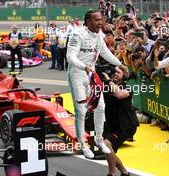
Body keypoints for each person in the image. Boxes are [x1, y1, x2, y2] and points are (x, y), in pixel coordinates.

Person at [67, 10, 126, 159]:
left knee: (100, 107)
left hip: (91, 74)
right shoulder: (77, 34)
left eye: (101, 20)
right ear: (87, 21)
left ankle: (99, 139)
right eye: (96, 20)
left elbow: (106, 53)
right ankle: (82, 144)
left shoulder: (100, 37)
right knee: (81, 110)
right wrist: (83, 66)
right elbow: (70, 56)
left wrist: (120, 64)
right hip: (77, 74)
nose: (100, 22)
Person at [102, 66, 139, 176]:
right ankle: (124, 172)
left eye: (118, 72)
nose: (115, 74)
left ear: (124, 75)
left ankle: (111, 173)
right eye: (113, 72)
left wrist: (108, 79)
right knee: (108, 150)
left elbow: (119, 94)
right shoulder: (106, 87)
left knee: (107, 144)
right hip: (112, 124)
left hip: (126, 125)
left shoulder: (127, 87)